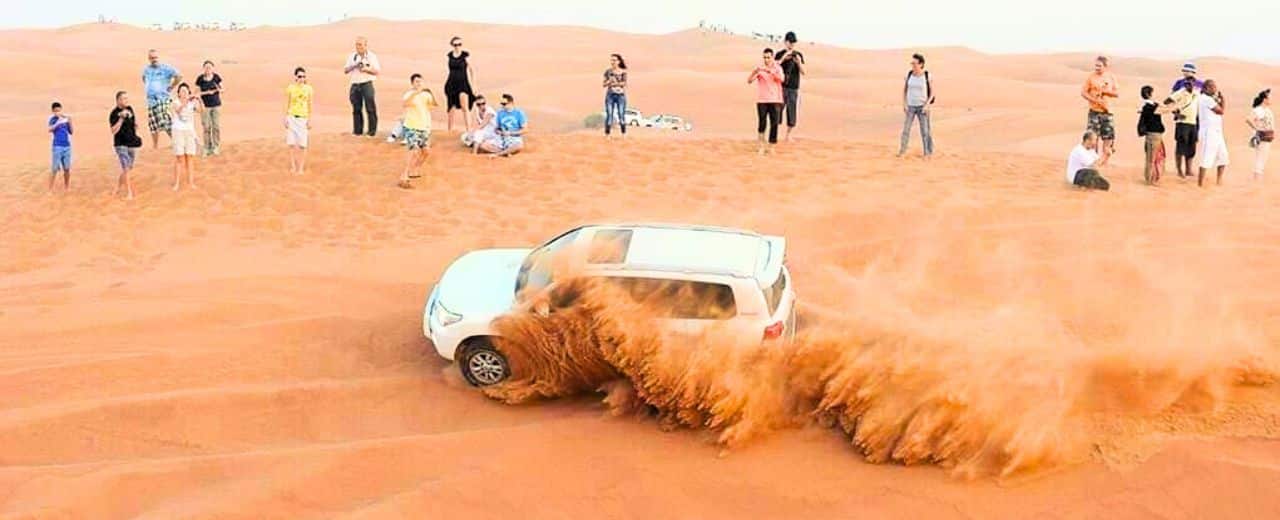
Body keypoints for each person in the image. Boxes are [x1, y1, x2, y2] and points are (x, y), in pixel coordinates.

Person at [399, 73, 438, 189]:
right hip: (412, 126)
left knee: (426, 152)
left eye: (420, 81)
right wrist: (415, 93)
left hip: (424, 127)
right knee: (413, 151)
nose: (419, 84)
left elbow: (434, 105)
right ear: (412, 83)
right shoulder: (408, 94)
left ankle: (414, 169)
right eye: (416, 82)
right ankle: (404, 175)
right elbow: (405, 104)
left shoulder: (426, 95)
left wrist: (431, 94)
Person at [1164, 67, 1201, 178]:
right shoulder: (1180, 92)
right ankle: (1179, 170)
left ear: (1194, 84)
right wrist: (1175, 113)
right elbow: (1167, 102)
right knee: (1181, 146)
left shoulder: (1197, 93)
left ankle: (1188, 169)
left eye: (1190, 83)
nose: (1188, 85)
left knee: (1191, 147)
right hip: (1182, 123)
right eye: (1187, 83)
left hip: (1193, 123)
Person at [1081, 56, 1119, 163]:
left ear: (1105, 66)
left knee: (1108, 137)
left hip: (1107, 112)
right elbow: (1083, 92)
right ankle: (1093, 159)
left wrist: (1105, 92)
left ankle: (1104, 161)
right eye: (1096, 65)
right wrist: (1093, 99)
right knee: (1093, 136)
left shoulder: (1111, 77)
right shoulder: (1091, 77)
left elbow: (1116, 93)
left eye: (1099, 66)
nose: (1097, 68)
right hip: (1094, 111)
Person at [747, 48, 785, 155]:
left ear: (772, 57)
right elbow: (749, 81)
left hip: (775, 100)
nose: (766, 59)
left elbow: (782, 79)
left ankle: (772, 147)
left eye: (768, 57)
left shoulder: (778, 68)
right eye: (764, 57)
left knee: (774, 124)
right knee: (762, 123)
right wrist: (754, 72)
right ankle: (761, 146)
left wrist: (771, 71)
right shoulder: (761, 69)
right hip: (762, 100)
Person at [142, 49, 181, 149]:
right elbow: (144, 78)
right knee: (153, 123)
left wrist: (171, 86)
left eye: (155, 57)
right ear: (149, 59)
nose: (154, 59)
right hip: (151, 100)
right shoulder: (146, 69)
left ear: (158, 57)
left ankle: (176, 141)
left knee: (165, 120)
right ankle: (155, 146)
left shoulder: (165, 68)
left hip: (162, 99)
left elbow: (178, 76)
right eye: (151, 58)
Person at [898, 53, 936, 159]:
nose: (913, 65)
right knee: (906, 129)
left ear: (921, 64)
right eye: (912, 63)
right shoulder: (909, 75)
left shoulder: (927, 76)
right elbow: (904, 90)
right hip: (910, 106)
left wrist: (927, 105)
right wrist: (904, 103)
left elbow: (932, 92)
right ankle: (902, 151)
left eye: (915, 63)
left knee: (925, 131)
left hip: (922, 107)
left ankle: (927, 153)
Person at [109, 91, 144, 199]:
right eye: (124, 99)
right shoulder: (114, 114)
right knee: (126, 168)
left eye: (127, 99)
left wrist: (135, 127)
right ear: (118, 100)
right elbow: (113, 131)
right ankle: (129, 192)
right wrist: (121, 119)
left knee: (128, 168)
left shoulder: (130, 109)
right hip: (121, 144)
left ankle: (118, 188)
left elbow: (134, 123)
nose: (126, 101)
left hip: (131, 143)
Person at [344, 36, 380, 137]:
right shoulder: (352, 56)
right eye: (357, 44)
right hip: (355, 84)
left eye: (360, 44)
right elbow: (345, 70)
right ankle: (357, 131)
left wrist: (366, 69)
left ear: (365, 45)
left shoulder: (372, 56)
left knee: (370, 108)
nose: (358, 46)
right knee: (356, 108)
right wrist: (354, 65)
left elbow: (377, 71)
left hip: (367, 83)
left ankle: (372, 132)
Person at [169, 83, 202, 190]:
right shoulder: (175, 102)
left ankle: (191, 182)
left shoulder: (192, 104)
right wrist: (186, 101)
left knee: (190, 157)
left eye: (186, 91)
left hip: (190, 132)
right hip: (178, 132)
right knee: (179, 157)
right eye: (181, 91)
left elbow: (202, 111)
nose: (184, 93)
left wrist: (199, 100)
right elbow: (178, 110)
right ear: (178, 93)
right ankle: (176, 183)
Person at [774, 32, 805, 142]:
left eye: (793, 42)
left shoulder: (798, 55)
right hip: (781, 87)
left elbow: (803, 72)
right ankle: (775, 134)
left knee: (792, 112)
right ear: (785, 42)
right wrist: (783, 58)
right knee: (777, 111)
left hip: (793, 88)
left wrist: (798, 63)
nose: (791, 45)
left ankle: (788, 135)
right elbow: (774, 67)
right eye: (790, 42)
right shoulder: (779, 54)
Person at [1196, 79, 1228, 187]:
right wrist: (1223, 99)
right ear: (1206, 88)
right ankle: (1200, 184)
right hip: (1209, 132)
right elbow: (1221, 111)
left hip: (1217, 132)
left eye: (1215, 86)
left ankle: (1219, 181)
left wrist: (1217, 100)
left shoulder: (1210, 99)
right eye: (1212, 87)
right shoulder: (1205, 99)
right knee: (1206, 157)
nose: (1215, 89)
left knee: (1223, 157)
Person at [284, 67, 314, 175]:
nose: (302, 79)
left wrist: (310, 119)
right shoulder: (290, 88)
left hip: (303, 118)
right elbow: (288, 103)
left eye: (304, 77)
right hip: (292, 117)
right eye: (300, 76)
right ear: (295, 77)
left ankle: (300, 168)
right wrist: (286, 117)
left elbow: (310, 105)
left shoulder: (309, 89)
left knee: (303, 145)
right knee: (291, 143)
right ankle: (293, 166)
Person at [444, 36, 476, 134]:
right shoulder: (450, 56)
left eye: (459, 44)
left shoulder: (465, 56)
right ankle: (449, 130)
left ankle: (468, 129)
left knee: (464, 106)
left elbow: (472, 70)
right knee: (451, 107)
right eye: (455, 44)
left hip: (463, 84)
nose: (458, 46)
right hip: (451, 83)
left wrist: (473, 85)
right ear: (452, 45)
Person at [194, 60, 224, 156]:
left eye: (210, 67)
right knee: (206, 127)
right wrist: (207, 93)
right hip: (205, 106)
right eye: (206, 67)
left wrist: (219, 89)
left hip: (216, 105)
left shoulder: (216, 77)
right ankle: (207, 147)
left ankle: (216, 146)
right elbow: (196, 93)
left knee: (216, 126)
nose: (208, 69)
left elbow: (223, 89)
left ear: (212, 68)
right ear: (204, 68)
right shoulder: (200, 79)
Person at [1137, 85, 1167, 185]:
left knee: (1151, 157)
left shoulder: (1148, 107)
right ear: (1149, 94)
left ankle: (1151, 178)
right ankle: (1150, 180)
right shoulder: (1151, 107)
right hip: (1153, 135)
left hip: (1153, 135)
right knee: (1152, 158)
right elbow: (1165, 109)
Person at [1247, 89, 1274, 180]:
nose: (1271, 100)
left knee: (1263, 158)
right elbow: (1249, 119)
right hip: (1261, 137)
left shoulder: (1268, 110)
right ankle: (1257, 182)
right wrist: (1257, 129)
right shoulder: (1258, 110)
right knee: (1260, 159)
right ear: (1264, 99)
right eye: (1269, 98)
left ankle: (1258, 180)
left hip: (1267, 137)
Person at [47, 102, 73, 192]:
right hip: (57, 146)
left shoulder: (65, 119)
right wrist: (57, 123)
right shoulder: (53, 120)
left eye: (59, 110)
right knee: (54, 169)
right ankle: (50, 189)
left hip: (67, 146)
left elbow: (71, 132)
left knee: (67, 168)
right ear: (53, 111)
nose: (58, 112)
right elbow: (49, 129)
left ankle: (66, 187)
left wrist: (70, 122)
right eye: (56, 111)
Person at [602, 54, 628, 138]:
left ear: (619, 61)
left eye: (614, 60)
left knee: (621, 114)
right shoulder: (608, 72)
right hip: (610, 95)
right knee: (609, 114)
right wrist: (609, 81)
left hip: (620, 95)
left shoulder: (623, 72)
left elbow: (624, 83)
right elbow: (604, 84)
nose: (613, 62)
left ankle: (623, 134)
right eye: (611, 60)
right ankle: (607, 134)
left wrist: (615, 83)